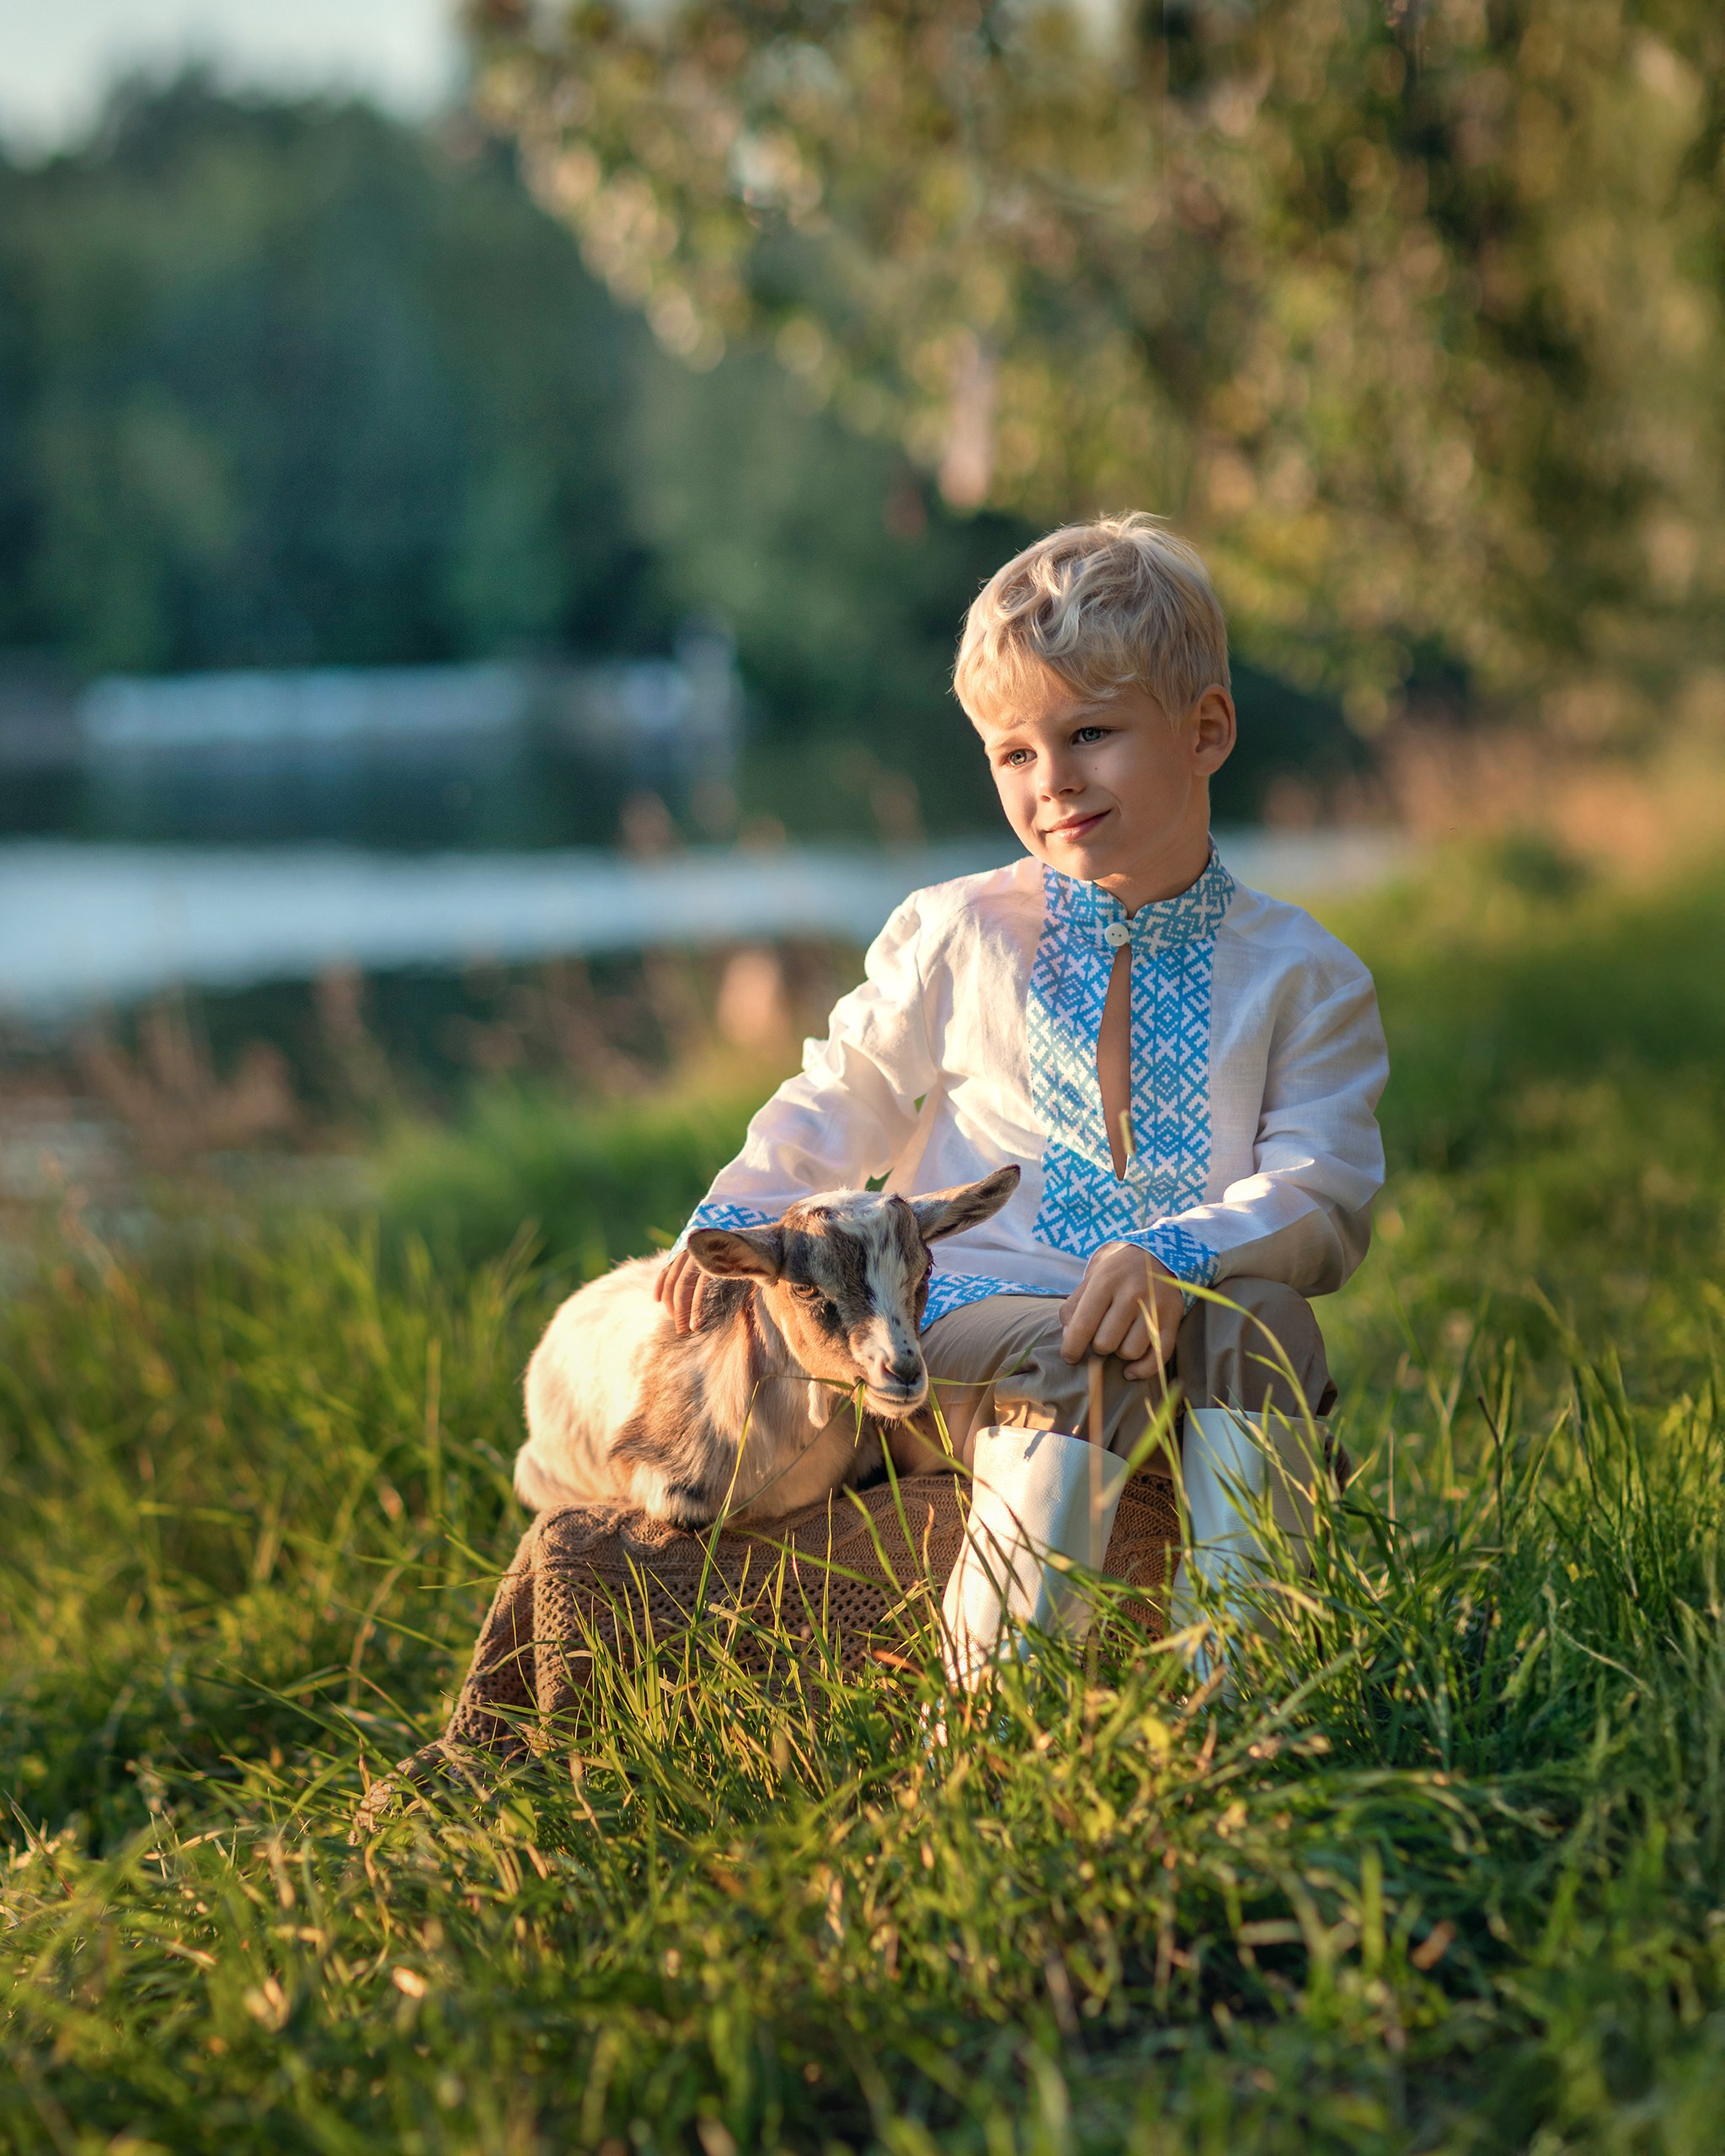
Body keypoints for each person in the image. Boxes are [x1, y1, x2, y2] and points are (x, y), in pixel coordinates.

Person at [657, 513, 1388, 1474]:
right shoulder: (959, 930)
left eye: (1090, 731)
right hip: (958, 1317)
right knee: (1069, 1357)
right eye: (1015, 753)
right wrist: (736, 1208)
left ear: (1204, 730)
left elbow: (1318, 1194)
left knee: (1267, 1321)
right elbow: (850, 1087)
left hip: (1174, 1300)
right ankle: (1009, 1633)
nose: (1055, 780)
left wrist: (1173, 1254)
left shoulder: (1302, 974)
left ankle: (1252, 1623)